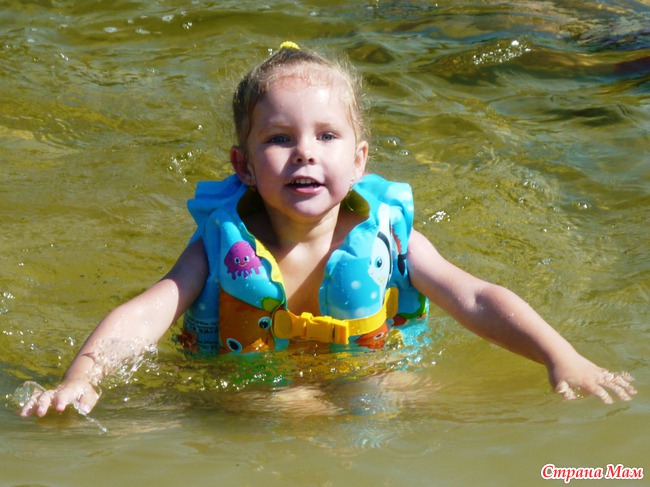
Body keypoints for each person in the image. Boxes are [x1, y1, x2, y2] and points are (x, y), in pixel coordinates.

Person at [19, 42, 636, 418]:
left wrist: (561, 357)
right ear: (243, 166)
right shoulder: (217, 247)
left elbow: (475, 297)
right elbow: (145, 314)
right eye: (279, 138)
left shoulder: (389, 239)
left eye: (327, 136)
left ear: (360, 161)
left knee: (412, 405)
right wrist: (82, 378)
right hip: (249, 390)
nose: (305, 153)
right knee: (264, 408)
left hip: (369, 376)